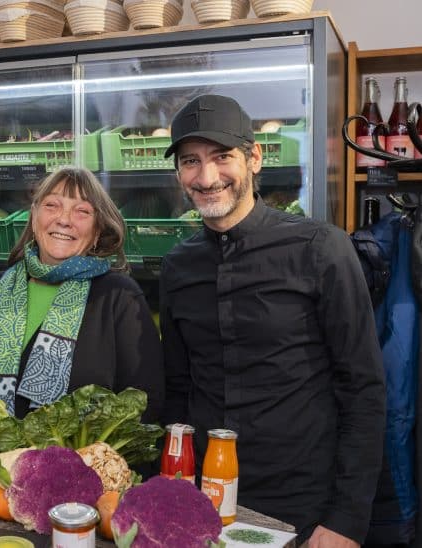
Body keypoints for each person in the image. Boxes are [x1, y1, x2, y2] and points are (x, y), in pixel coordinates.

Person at [159, 94, 386, 546]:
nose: (207, 177)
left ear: (254, 157)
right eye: (191, 162)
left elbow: (363, 388)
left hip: (302, 505)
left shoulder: (321, 249)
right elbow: (179, 388)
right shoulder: (177, 266)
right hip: (206, 497)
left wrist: (346, 518)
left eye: (222, 157)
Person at [0, 166, 164, 421]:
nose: (64, 219)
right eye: (52, 205)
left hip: (80, 459)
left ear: (97, 230)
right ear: (34, 218)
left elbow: (146, 403)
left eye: (82, 211)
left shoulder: (119, 297)